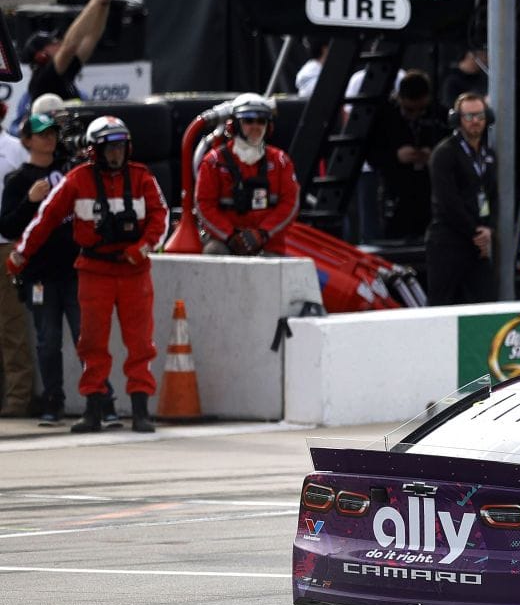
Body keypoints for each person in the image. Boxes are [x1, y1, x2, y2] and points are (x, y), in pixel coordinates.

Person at [7, 116, 167, 433]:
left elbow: (160, 218)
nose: (115, 154)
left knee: (140, 343)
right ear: (94, 150)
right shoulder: (76, 180)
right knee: (91, 342)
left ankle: (140, 411)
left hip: (135, 271)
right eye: (109, 147)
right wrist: (22, 253)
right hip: (93, 271)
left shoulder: (142, 177)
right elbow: (46, 217)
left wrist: (143, 248)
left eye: (120, 147)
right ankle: (93, 410)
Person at [1, 102, 77, 424]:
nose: (48, 140)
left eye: (51, 135)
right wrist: (29, 202)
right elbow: (14, 214)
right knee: (45, 339)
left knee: (18, 328)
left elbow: (10, 224)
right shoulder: (21, 176)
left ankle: (23, 398)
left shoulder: (15, 152)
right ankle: (49, 399)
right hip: (33, 262)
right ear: (29, 138)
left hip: (19, 253)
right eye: (41, 134)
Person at [193, 94, 300, 255]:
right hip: (225, 242)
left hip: (268, 243)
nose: (256, 126)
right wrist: (230, 236)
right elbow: (204, 205)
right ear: (235, 125)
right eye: (248, 121)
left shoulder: (280, 161)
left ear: (268, 126)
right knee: (214, 252)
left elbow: (290, 204)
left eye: (261, 121)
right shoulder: (214, 161)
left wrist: (263, 233)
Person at [427, 93, 497, 304]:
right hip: (449, 241)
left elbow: (493, 196)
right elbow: (448, 201)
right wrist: (476, 232)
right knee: (442, 304)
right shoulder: (444, 153)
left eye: (480, 115)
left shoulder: (488, 153)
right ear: (458, 120)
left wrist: (489, 229)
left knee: (484, 302)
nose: (475, 121)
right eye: (469, 116)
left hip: (477, 243)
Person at [17, 0, 117, 121]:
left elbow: (92, 37)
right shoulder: (44, 78)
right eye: (53, 43)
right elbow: (70, 46)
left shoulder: (64, 72)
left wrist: (104, 4)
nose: (59, 43)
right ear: (41, 55)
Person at [367, 71, 446, 239]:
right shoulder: (386, 117)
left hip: (430, 187)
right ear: (400, 99)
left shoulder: (438, 114)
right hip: (396, 187)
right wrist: (395, 156)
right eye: (410, 110)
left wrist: (434, 155)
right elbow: (371, 155)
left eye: (421, 109)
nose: (415, 114)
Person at [439, 45, 488, 110]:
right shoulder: (452, 80)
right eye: (482, 55)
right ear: (471, 55)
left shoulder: (484, 78)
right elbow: (449, 106)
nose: (486, 59)